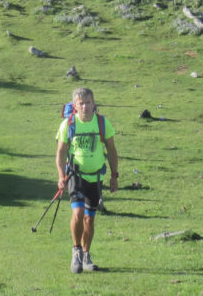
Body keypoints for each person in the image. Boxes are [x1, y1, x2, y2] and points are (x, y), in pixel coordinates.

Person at [56, 87, 118, 274]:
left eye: (88, 102)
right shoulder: (68, 124)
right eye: (81, 103)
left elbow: (112, 151)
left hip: (96, 177)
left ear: (93, 103)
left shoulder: (102, 123)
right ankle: (76, 251)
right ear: (75, 105)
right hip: (76, 176)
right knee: (78, 212)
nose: (85, 106)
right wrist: (61, 176)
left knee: (89, 220)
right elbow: (60, 152)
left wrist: (114, 176)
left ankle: (86, 255)